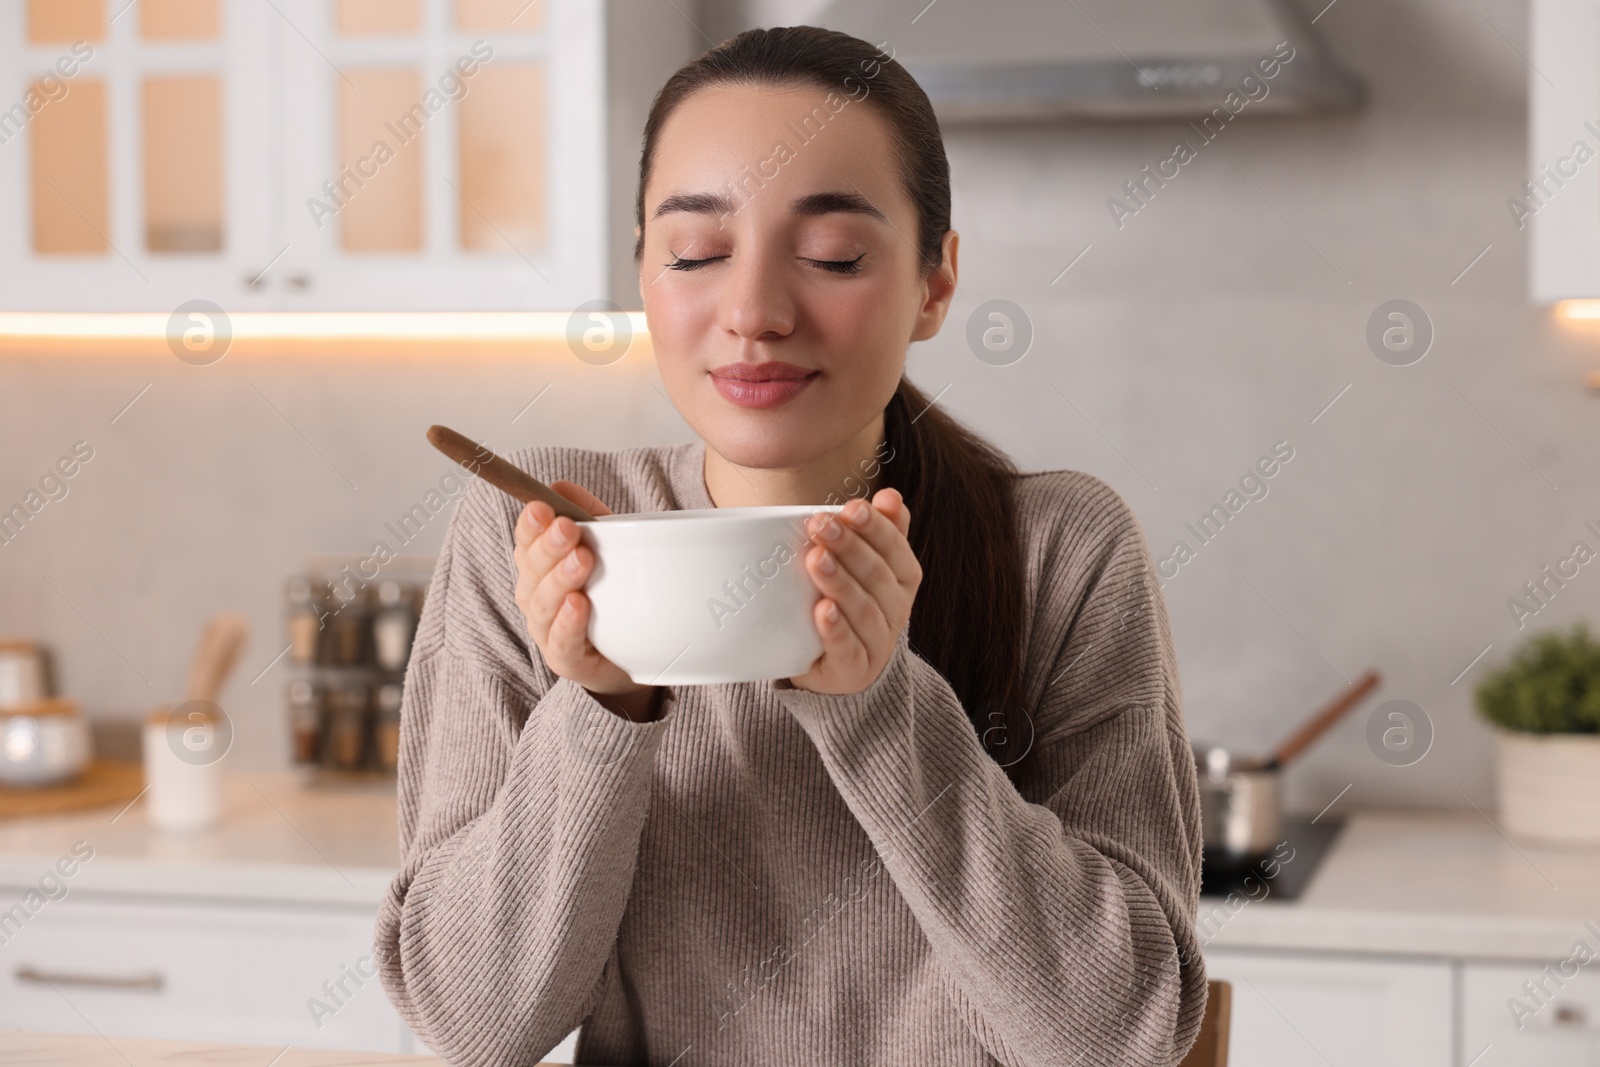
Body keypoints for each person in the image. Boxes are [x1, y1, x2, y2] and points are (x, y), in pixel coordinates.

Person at [375, 25, 1205, 1067]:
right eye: (695, 252)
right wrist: (597, 705)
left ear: (935, 282)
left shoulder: (1060, 551)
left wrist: (879, 705)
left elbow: (1117, 1034)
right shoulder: (540, 536)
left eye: (832, 257)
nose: (755, 312)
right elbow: (468, 1022)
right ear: (644, 270)